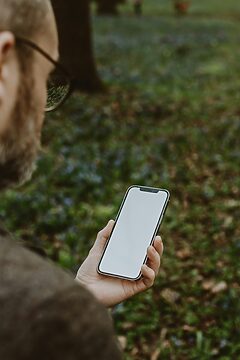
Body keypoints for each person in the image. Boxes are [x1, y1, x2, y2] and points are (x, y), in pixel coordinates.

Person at [0, 0, 164, 358]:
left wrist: (84, 295)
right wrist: (71, 313)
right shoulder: (55, 319)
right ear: (3, 68)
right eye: (45, 79)